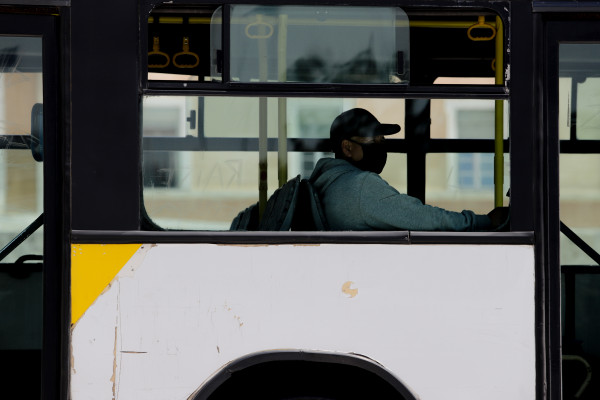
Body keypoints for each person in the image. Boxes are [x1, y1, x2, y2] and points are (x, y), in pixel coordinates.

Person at [308, 108, 508, 231]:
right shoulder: (360, 185)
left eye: (382, 140)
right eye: (373, 140)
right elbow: (421, 218)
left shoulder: (327, 182)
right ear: (347, 147)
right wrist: (484, 221)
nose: (380, 145)